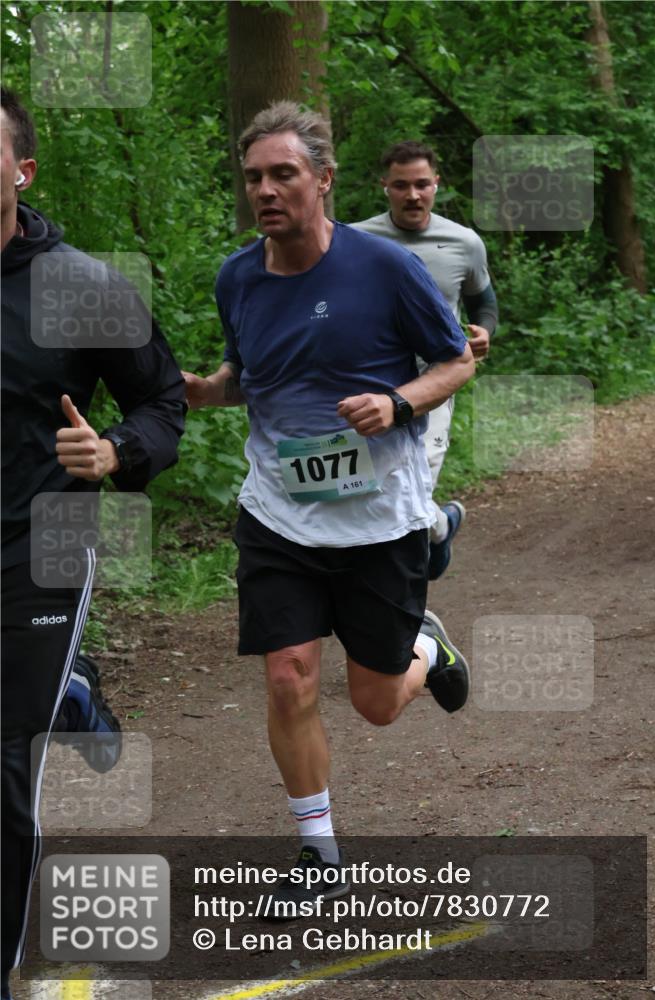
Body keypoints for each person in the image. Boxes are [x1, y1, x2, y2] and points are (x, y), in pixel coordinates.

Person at [183, 101, 475, 914]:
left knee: (376, 705)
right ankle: (318, 852)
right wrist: (204, 391)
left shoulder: (384, 269)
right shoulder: (237, 277)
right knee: (288, 677)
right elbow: (248, 376)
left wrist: (398, 402)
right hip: (279, 514)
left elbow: (455, 362)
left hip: (377, 518)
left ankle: (425, 647)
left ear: (324, 180)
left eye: (282, 174)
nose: (264, 190)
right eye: (253, 177)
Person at [1, 88, 186, 999]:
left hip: (37, 548)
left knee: (2, 758)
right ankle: (70, 694)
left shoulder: (80, 286)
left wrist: (115, 450)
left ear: (22, 172)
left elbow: (162, 400)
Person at [352, 141, 498, 579]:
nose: (413, 195)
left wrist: (484, 331)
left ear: (436, 184)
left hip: (434, 382)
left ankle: (406, 598)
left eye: (421, 184)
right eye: (401, 185)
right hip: (367, 383)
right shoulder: (354, 240)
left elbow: (484, 303)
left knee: (413, 491)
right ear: (385, 186)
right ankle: (440, 527)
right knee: (370, 489)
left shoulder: (464, 242)